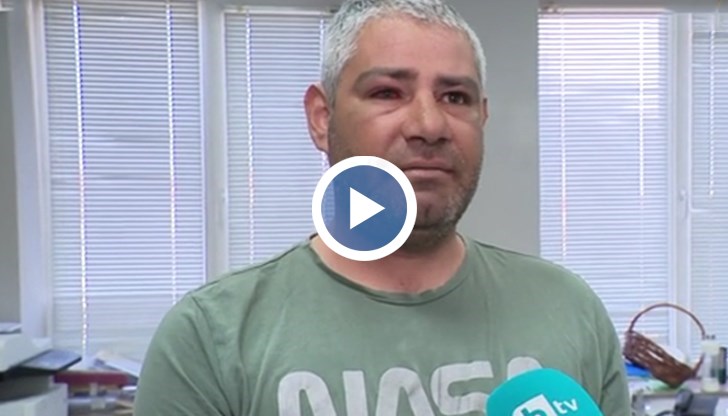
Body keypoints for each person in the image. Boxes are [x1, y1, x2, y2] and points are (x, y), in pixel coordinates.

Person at [133, 0, 631, 415]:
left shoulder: (570, 312)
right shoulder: (209, 338)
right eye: (387, 92)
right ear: (322, 119)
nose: (429, 125)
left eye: (455, 97)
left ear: (482, 117)